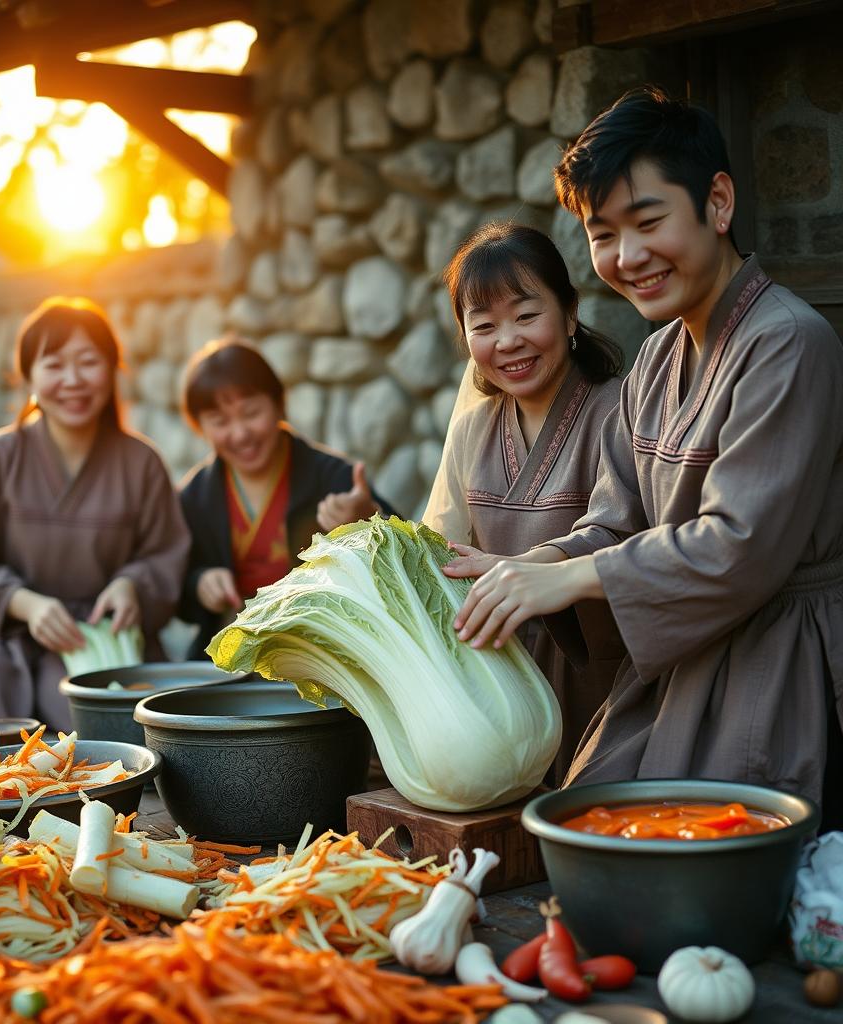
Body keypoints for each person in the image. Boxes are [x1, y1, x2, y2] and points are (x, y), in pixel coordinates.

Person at [450, 87, 843, 818]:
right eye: (603, 234)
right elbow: (615, 521)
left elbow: (739, 546)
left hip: (777, 666)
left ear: (717, 203)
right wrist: (531, 566)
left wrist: (571, 579)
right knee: (586, 823)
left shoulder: (788, 342)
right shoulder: (657, 357)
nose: (627, 257)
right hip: (680, 660)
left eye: (648, 221)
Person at [0, 297, 190, 731]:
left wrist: (132, 584)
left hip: (99, 637)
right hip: (4, 633)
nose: (73, 380)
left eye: (88, 362)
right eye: (53, 365)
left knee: (107, 721)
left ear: (112, 370)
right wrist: (25, 604)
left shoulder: (141, 463)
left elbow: (165, 553)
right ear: (28, 375)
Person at [427, 222, 626, 779]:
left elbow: (633, 540)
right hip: (503, 691)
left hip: (604, 690)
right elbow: (441, 549)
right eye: (484, 325)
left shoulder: (620, 411)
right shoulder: (472, 429)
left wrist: (532, 574)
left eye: (526, 315)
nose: (507, 341)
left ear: (570, 312)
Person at [178, 338, 396, 659]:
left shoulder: (334, 477)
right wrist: (199, 584)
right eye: (220, 422)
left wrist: (368, 518)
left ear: (280, 404)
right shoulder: (195, 496)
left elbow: (401, 553)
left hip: (325, 652)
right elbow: (176, 587)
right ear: (200, 427)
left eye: (251, 413)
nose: (240, 433)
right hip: (230, 658)